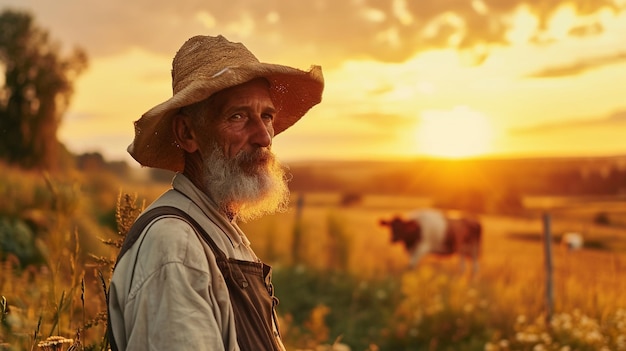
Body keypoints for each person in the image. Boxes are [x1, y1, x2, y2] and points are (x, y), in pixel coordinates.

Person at [107, 35, 324, 351]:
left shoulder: (217, 231)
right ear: (187, 133)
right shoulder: (176, 249)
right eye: (237, 116)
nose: (264, 137)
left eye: (267, 116)